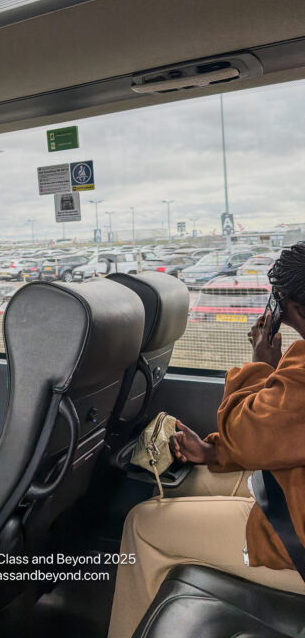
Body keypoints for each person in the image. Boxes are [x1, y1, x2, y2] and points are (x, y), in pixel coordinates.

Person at [107, 245, 305, 638]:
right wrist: (214, 451)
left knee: (143, 524)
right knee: (191, 481)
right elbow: (283, 431)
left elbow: (245, 433)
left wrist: (260, 364)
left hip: (294, 541)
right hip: (291, 497)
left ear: (291, 308)